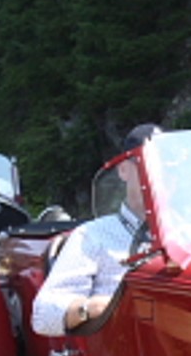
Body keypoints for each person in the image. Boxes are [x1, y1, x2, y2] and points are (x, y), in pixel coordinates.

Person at [30, 125, 158, 337]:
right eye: (146, 164)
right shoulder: (92, 235)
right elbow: (43, 316)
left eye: (165, 166)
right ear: (124, 170)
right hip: (116, 354)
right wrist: (89, 308)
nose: (157, 174)